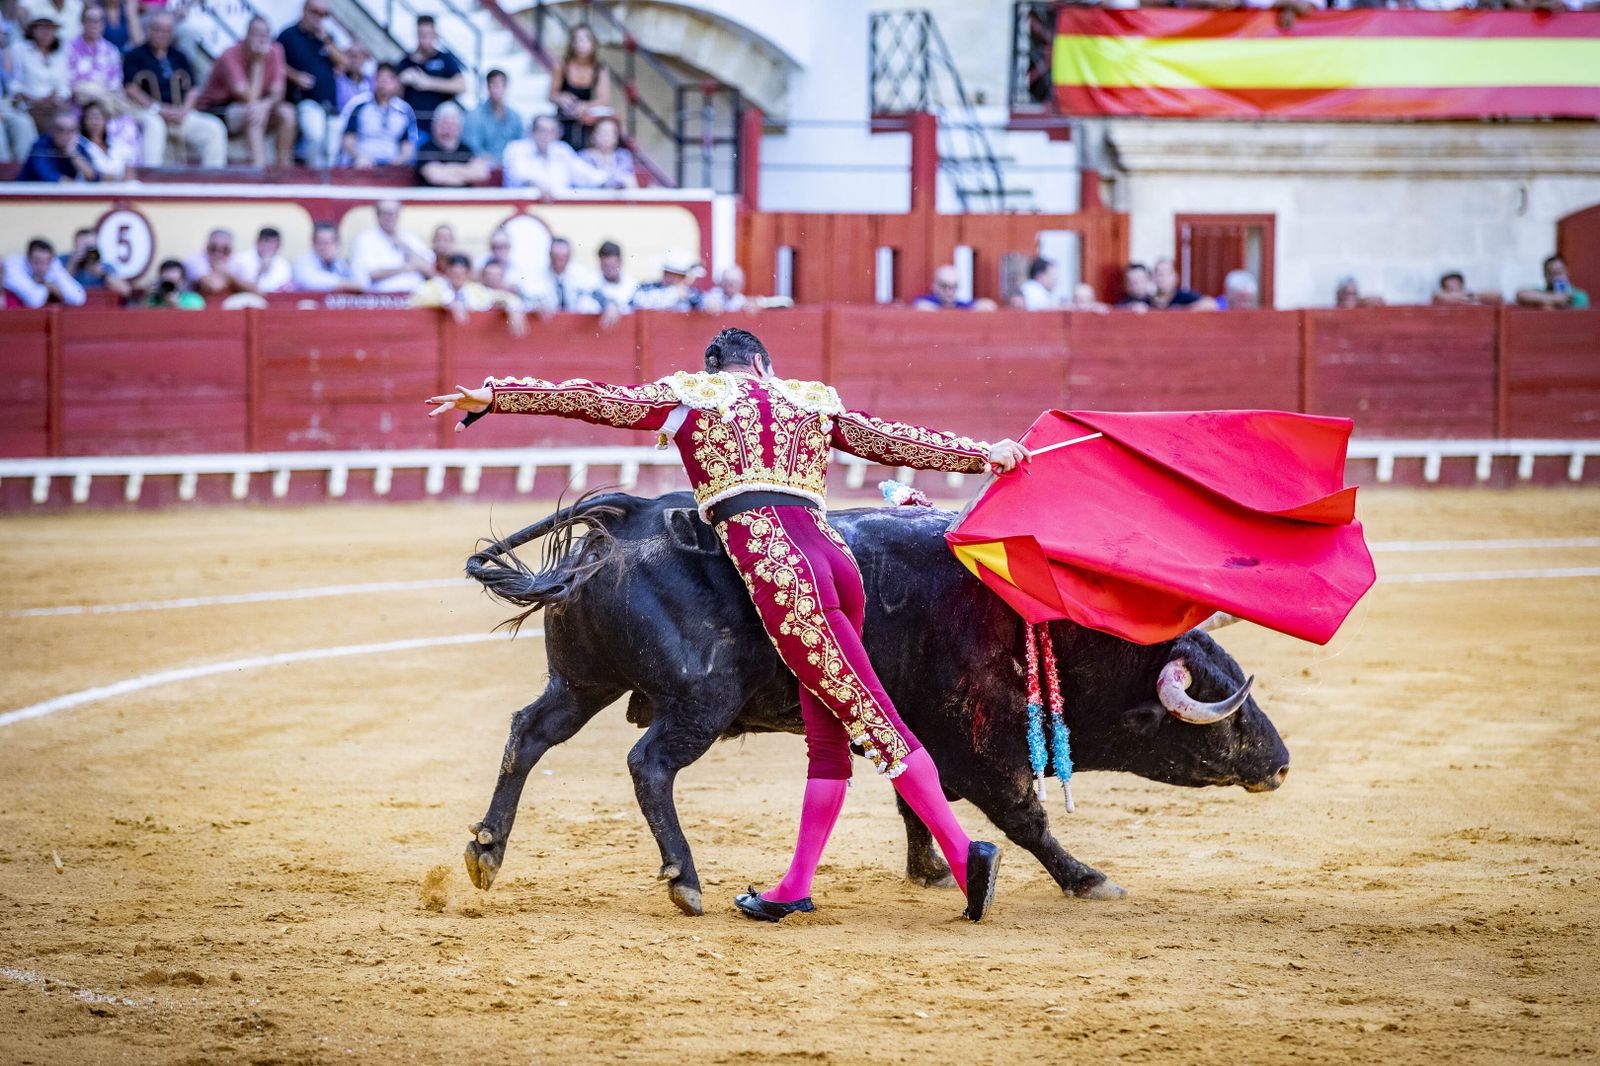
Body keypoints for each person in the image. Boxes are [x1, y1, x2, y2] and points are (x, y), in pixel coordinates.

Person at [427, 327, 1023, 922]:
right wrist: (980, 455)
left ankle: (963, 851)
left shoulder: (694, 398)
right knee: (830, 733)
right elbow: (895, 440)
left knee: (872, 720)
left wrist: (497, 396)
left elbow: (596, 400)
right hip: (836, 561)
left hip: (783, 568)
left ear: (714, 370)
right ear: (762, 364)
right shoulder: (806, 400)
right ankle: (794, 887)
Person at [122, 11, 227, 167]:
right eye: (157, 29)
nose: (161, 34)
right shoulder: (135, 55)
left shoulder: (179, 56)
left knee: (214, 129)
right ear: (150, 30)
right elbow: (130, 88)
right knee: (154, 125)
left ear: (172, 33)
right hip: (148, 111)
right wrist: (158, 109)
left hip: (178, 113)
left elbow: (192, 90)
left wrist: (183, 111)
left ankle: (212, 184)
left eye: (166, 30)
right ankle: (151, 181)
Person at [195, 16, 295, 168]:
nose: (261, 39)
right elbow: (248, 97)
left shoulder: (276, 50)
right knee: (253, 114)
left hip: (256, 105)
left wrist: (265, 106)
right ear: (246, 35)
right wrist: (258, 62)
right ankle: (259, 171)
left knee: (287, 112)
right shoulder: (230, 54)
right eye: (256, 33)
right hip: (218, 110)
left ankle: (284, 168)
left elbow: (278, 93)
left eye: (265, 34)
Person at [67, 4, 147, 166]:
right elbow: (72, 85)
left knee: (127, 124)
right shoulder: (70, 48)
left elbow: (115, 86)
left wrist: (100, 95)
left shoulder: (111, 50)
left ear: (103, 24)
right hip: (78, 106)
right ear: (82, 22)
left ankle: (123, 170)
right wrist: (95, 93)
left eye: (98, 21)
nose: (94, 25)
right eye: (90, 20)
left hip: (106, 107)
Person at [277, 0, 343, 167]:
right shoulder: (288, 35)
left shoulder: (326, 38)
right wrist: (295, 76)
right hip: (305, 100)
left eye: (324, 14)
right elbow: (275, 63)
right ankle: (312, 176)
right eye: (315, 12)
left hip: (330, 104)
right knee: (315, 135)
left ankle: (325, 186)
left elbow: (344, 63)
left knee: (332, 148)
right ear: (305, 10)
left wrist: (327, 41)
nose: (319, 17)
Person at [411, 251, 526, 335]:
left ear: (468, 274)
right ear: (447, 272)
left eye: (461, 274)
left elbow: (501, 297)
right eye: (454, 273)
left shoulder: (474, 291)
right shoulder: (433, 286)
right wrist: (448, 301)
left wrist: (513, 308)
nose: (457, 277)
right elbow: (415, 301)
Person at [336, 61, 415, 167]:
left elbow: (408, 147)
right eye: (380, 78)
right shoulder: (358, 104)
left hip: (392, 165)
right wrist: (359, 157)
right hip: (362, 163)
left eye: (388, 80)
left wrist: (399, 160)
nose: (383, 83)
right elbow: (347, 141)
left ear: (397, 83)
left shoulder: (405, 110)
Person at [396, 14, 463, 136]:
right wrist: (400, 81)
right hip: (410, 125)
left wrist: (427, 82)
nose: (424, 39)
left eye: (428, 35)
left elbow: (461, 85)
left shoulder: (445, 59)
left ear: (435, 35)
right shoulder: (406, 61)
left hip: (439, 129)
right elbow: (393, 95)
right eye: (421, 35)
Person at [501, 113, 600, 196]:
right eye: (542, 130)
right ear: (532, 132)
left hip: (559, 208)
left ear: (558, 134)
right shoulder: (516, 148)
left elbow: (585, 174)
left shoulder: (562, 150)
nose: (546, 136)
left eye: (552, 131)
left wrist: (605, 181)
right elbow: (518, 175)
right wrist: (538, 186)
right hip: (523, 209)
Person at [549, 22, 610, 151]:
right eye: (577, 40)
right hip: (564, 118)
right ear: (572, 43)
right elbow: (551, 95)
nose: (581, 44)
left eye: (585, 39)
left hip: (586, 119)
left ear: (593, 43)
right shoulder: (562, 65)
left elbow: (605, 100)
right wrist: (561, 98)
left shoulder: (599, 69)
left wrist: (584, 106)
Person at [349, 197, 431, 293]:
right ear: (377, 215)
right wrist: (405, 268)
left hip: (414, 297)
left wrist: (407, 249)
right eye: (386, 213)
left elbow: (428, 268)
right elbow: (372, 274)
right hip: (382, 299)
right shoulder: (365, 240)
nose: (390, 217)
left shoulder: (410, 238)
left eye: (393, 213)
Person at [12, 12, 70, 132]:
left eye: (50, 29)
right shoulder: (20, 50)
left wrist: (56, 99)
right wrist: (33, 99)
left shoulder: (59, 55)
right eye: (42, 29)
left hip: (53, 106)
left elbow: (64, 86)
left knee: (67, 120)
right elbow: (13, 84)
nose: (46, 33)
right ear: (32, 31)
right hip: (29, 106)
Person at [413, 101, 488, 186]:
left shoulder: (466, 149)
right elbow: (436, 176)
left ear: (460, 128)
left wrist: (446, 169)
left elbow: (481, 173)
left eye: (453, 124)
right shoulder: (426, 148)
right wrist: (467, 173)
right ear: (434, 126)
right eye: (444, 124)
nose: (448, 129)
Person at [14, 107, 97, 179]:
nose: (67, 135)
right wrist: (76, 186)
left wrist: (73, 154)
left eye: (72, 130)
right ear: (52, 131)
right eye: (61, 130)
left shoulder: (78, 145)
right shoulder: (40, 146)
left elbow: (93, 177)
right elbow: (47, 177)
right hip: (29, 194)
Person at [460, 67, 519, 165]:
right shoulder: (473, 116)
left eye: (502, 85)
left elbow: (521, 144)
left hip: (511, 166)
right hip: (483, 167)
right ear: (487, 87)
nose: (498, 89)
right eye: (494, 84)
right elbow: (472, 148)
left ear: (506, 87)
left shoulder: (515, 117)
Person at [4, 236, 86, 306]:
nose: (42, 267)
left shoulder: (53, 265)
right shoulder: (13, 265)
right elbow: (34, 300)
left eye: (46, 262)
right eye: (37, 261)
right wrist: (49, 287)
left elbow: (79, 298)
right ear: (28, 258)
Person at [524, 235, 591, 314]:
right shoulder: (536, 275)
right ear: (549, 255)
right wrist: (535, 306)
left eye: (563, 258)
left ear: (569, 257)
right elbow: (526, 300)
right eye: (555, 257)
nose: (558, 262)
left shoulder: (581, 275)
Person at [59, 224, 129, 297]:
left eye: (90, 247)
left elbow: (125, 291)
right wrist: (72, 264)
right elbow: (57, 287)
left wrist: (102, 275)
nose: (86, 251)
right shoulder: (63, 261)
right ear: (75, 246)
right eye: (83, 246)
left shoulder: (105, 267)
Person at [291, 220, 361, 292]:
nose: (324, 247)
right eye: (320, 242)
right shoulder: (303, 262)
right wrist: (343, 283)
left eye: (328, 242)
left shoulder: (340, 263)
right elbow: (312, 282)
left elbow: (360, 283)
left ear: (337, 243)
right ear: (313, 243)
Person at [632, 248, 705, 312]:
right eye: (681, 276)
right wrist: (674, 295)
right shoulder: (647, 288)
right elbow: (640, 302)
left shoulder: (691, 294)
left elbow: (706, 303)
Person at [185, 227, 248, 299]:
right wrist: (226, 274)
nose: (218, 254)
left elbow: (255, 290)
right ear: (207, 246)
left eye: (225, 249)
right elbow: (214, 287)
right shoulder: (194, 260)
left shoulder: (237, 261)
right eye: (213, 248)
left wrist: (228, 275)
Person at [76, 98, 132, 178]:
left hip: (120, 189)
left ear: (105, 120)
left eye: (97, 117)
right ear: (84, 121)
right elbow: (91, 175)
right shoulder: (79, 144)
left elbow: (129, 172)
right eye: (90, 118)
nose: (94, 122)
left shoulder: (117, 144)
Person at [576, 114, 634, 189]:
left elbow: (626, 179)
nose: (606, 137)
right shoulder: (583, 156)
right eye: (602, 132)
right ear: (593, 135)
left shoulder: (623, 156)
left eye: (610, 133)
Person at [229, 225, 291, 292]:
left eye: (274, 242)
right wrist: (261, 271)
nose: (270, 246)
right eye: (267, 241)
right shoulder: (240, 260)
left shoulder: (283, 264)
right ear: (258, 241)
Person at [1516, 255, 1590, 310]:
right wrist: (1554, 298)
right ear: (1545, 275)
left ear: (1567, 272)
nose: (1557, 276)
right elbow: (1521, 294)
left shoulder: (1579, 295)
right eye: (1552, 273)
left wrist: (1546, 303)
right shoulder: (1543, 291)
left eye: (1559, 272)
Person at [589, 238, 637, 322]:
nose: (609, 270)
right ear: (600, 263)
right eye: (605, 266)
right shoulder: (591, 283)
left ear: (620, 262)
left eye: (613, 266)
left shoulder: (632, 284)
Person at [333, 41, 371, 113]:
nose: (354, 60)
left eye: (358, 56)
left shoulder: (370, 82)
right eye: (351, 56)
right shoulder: (338, 77)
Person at [1432, 270, 1502, 307]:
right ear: (1444, 288)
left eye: (1455, 285)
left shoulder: (1470, 295)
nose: (1453, 289)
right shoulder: (1440, 296)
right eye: (1450, 288)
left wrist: (1470, 296)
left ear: (1461, 285)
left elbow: (1498, 296)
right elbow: (1438, 296)